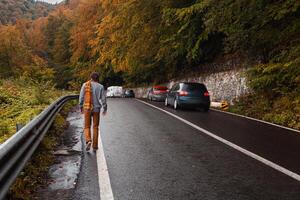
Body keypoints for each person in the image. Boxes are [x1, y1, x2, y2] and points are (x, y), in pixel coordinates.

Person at [79, 72, 107, 151]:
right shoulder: (101, 86)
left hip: (87, 108)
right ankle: (95, 146)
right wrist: (105, 108)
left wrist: (81, 106)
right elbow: (103, 99)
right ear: (98, 78)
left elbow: (81, 97)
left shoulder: (85, 85)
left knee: (87, 126)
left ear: (91, 78)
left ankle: (88, 140)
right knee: (95, 127)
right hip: (96, 109)